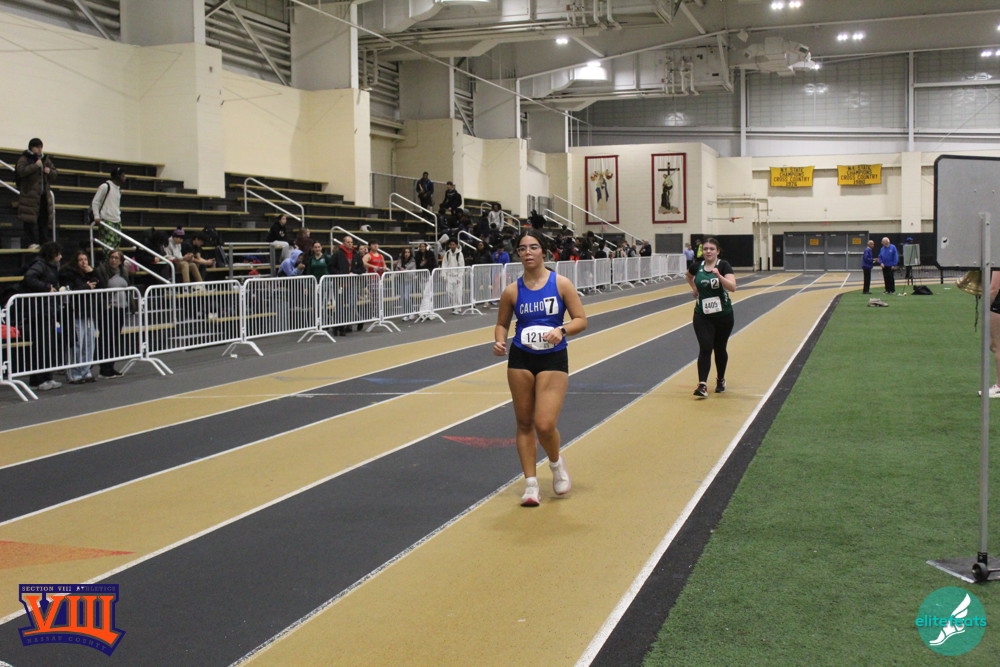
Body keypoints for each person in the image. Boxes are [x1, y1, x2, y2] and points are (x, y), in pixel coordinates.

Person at [492, 229, 588, 506]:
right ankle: (531, 484)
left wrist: (562, 330)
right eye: (523, 248)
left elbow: (581, 319)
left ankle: (556, 464)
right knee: (524, 422)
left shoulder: (561, 284)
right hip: (521, 357)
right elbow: (502, 323)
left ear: (543, 251)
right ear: (518, 254)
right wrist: (499, 341)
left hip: (552, 357)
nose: (528, 252)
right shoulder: (512, 291)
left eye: (533, 247)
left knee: (544, 424)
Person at [687, 237, 736, 398]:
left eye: (711, 249)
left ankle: (720, 379)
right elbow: (688, 276)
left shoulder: (723, 265)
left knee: (720, 348)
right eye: (706, 249)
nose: (708, 251)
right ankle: (702, 385)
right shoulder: (697, 266)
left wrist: (719, 276)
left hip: (723, 315)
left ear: (717, 251)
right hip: (702, 315)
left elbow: (732, 287)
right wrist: (694, 288)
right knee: (705, 347)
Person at [20, 242, 62, 391]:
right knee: (41, 345)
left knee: (48, 344)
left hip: (47, 309)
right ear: (53, 254)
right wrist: (46, 288)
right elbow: (29, 278)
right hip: (39, 310)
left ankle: (47, 376)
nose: (61, 256)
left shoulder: (49, 266)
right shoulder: (40, 264)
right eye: (58, 253)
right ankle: (38, 379)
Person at [59, 250, 99, 384]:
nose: (84, 262)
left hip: (88, 313)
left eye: (86, 259)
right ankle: (74, 373)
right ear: (75, 261)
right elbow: (70, 289)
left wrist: (92, 272)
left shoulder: (89, 272)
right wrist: (85, 286)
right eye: (81, 260)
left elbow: (101, 284)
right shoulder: (67, 273)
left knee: (89, 343)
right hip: (75, 312)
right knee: (77, 344)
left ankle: (86, 371)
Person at [15, 138, 57, 250]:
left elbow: (55, 173)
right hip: (29, 196)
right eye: (37, 147)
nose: (39, 149)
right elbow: (20, 171)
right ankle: (31, 242)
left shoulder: (45, 158)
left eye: (40, 147)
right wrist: (35, 166)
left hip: (43, 195)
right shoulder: (24, 158)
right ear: (31, 148)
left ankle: (44, 242)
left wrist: (49, 171)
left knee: (43, 219)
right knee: (29, 220)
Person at [330, 236, 365, 334]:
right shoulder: (338, 254)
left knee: (351, 304)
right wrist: (340, 274)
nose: (350, 244)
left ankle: (349, 324)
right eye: (348, 242)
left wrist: (354, 272)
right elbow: (331, 267)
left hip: (351, 283)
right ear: (344, 243)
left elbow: (362, 269)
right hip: (339, 283)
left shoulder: (356, 255)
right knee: (339, 305)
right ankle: (339, 325)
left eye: (351, 242)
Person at [91, 167, 127, 252]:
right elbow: (95, 201)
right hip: (106, 220)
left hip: (117, 221)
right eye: (123, 176)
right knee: (108, 247)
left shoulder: (118, 189)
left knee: (116, 246)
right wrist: (96, 216)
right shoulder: (105, 186)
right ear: (117, 176)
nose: (125, 178)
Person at [441, 237, 465, 314]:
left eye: (453, 244)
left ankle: (458, 308)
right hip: (449, 276)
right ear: (449, 245)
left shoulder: (459, 254)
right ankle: (453, 306)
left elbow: (462, 266)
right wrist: (444, 275)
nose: (452, 246)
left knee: (458, 293)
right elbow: (444, 264)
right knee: (449, 292)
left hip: (457, 276)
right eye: (451, 244)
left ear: (456, 245)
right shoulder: (447, 254)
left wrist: (459, 277)